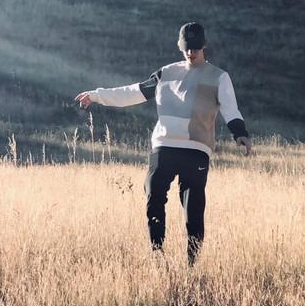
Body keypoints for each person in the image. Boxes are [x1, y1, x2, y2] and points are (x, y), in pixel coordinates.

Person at [75, 22, 251, 265]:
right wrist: (96, 95)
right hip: (164, 145)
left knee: (193, 206)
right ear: (179, 46)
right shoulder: (165, 73)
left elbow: (230, 109)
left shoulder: (219, 77)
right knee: (153, 193)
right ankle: (157, 255)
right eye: (187, 48)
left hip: (196, 148)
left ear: (204, 45)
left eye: (196, 47)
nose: (191, 52)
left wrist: (240, 133)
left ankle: (192, 264)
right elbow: (133, 92)